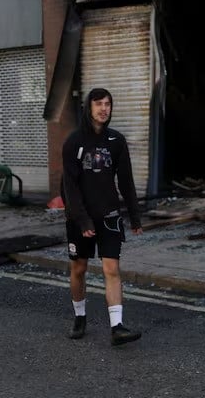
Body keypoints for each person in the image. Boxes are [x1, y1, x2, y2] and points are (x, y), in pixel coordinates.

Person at [62, 87, 143, 346]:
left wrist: (135, 216)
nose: (104, 108)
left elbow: (127, 181)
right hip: (80, 217)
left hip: (109, 215)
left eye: (108, 103)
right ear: (89, 107)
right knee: (79, 268)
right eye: (99, 104)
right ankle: (79, 316)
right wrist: (82, 220)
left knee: (112, 268)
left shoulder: (116, 141)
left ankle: (117, 327)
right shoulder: (74, 142)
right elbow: (69, 188)